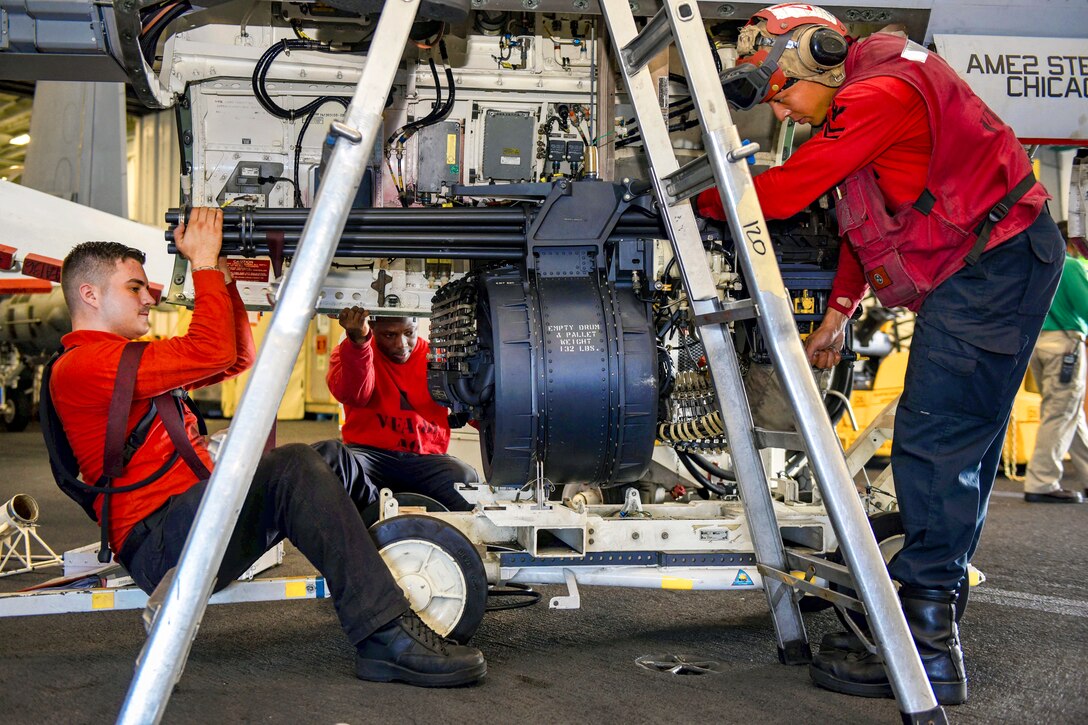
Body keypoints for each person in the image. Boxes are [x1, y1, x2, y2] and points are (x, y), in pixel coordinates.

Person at [697, 3, 1064, 705]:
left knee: (935, 441)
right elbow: (867, 218)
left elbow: (781, 195)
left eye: (780, 91)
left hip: (992, 267)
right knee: (959, 445)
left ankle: (925, 649)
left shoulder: (879, 93)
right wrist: (837, 316)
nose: (783, 112)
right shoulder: (871, 92)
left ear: (817, 54)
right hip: (994, 263)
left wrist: (687, 199)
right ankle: (926, 615)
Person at [50, 208, 485, 687]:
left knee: (332, 457)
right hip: (164, 546)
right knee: (293, 466)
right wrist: (204, 263)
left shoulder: (120, 360)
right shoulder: (85, 365)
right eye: (135, 287)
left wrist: (227, 279)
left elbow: (236, 357)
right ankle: (384, 637)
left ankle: (383, 578)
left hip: (191, 521)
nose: (150, 296)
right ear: (89, 294)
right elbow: (212, 351)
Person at [314, 306, 478, 517]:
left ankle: (441, 536)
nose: (401, 344)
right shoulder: (349, 352)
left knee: (466, 479)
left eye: (409, 333)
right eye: (390, 335)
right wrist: (358, 344)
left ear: (418, 325)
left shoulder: (438, 359)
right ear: (372, 327)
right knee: (330, 462)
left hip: (425, 460)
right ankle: (374, 517)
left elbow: (475, 408)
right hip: (370, 456)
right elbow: (355, 395)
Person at [1023, 223, 1088, 503]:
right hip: (1064, 346)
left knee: (1070, 412)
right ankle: (1042, 482)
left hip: (1034, 344)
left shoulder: (1029, 265)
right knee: (1060, 413)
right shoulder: (1070, 265)